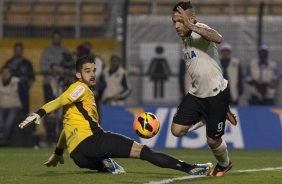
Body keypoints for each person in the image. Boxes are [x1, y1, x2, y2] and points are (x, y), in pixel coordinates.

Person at [19, 55, 212, 175]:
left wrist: (58, 152)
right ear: (78, 75)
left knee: (100, 158)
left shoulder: (77, 101)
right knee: (144, 152)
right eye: (87, 71)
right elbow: (59, 99)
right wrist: (40, 112)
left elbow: (66, 128)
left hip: (78, 156)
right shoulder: (80, 88)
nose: (92, 74)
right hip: (94, 142)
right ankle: (190, 168)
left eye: (94, 70)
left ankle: (105, 163)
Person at [171, 1, 234, 176]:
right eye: (174, 22)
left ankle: (224, 164)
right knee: (176, 131)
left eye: (180, 21)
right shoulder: (185, 40)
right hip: (196, 94)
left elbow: (218, 38)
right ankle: (208, 118)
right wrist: (186, 26)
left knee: (212, 141)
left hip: (216, 94)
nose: (176, 26)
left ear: (191, 19)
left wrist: (191, 25)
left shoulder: (199, 30)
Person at [4, 42, 35, 114]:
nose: (18, 52)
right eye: (16, 50)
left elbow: (32, 77)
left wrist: (26, 86)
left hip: (23, 91)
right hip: (11, 92)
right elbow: (4, 76)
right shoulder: (9, 63)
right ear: (14, 51)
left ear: (22, 51)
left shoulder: (27, 63)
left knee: (23, 112)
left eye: (19, 50)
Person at [40, 30, 70, 103]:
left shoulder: (66, 51)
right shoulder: (46, 51)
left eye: (58, 37)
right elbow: (42, 67)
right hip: (49, 82)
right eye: (55, 38)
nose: (56, 39)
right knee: (48, 107)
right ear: (52, 39)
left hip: (63, 83)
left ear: (61, 39)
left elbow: (70, 66)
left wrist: (63, 72)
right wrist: (53, 70)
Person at [0, 66, 27, 144]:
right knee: (0, 121)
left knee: (9, 121)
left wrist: (25, 110)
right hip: (2, 107)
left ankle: (4, 139)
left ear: (10, 74)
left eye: (7, 73)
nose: (5, 75)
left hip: (15, 107)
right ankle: (2, 137)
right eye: (3, 73)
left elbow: (24, 97)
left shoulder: (17, 82)